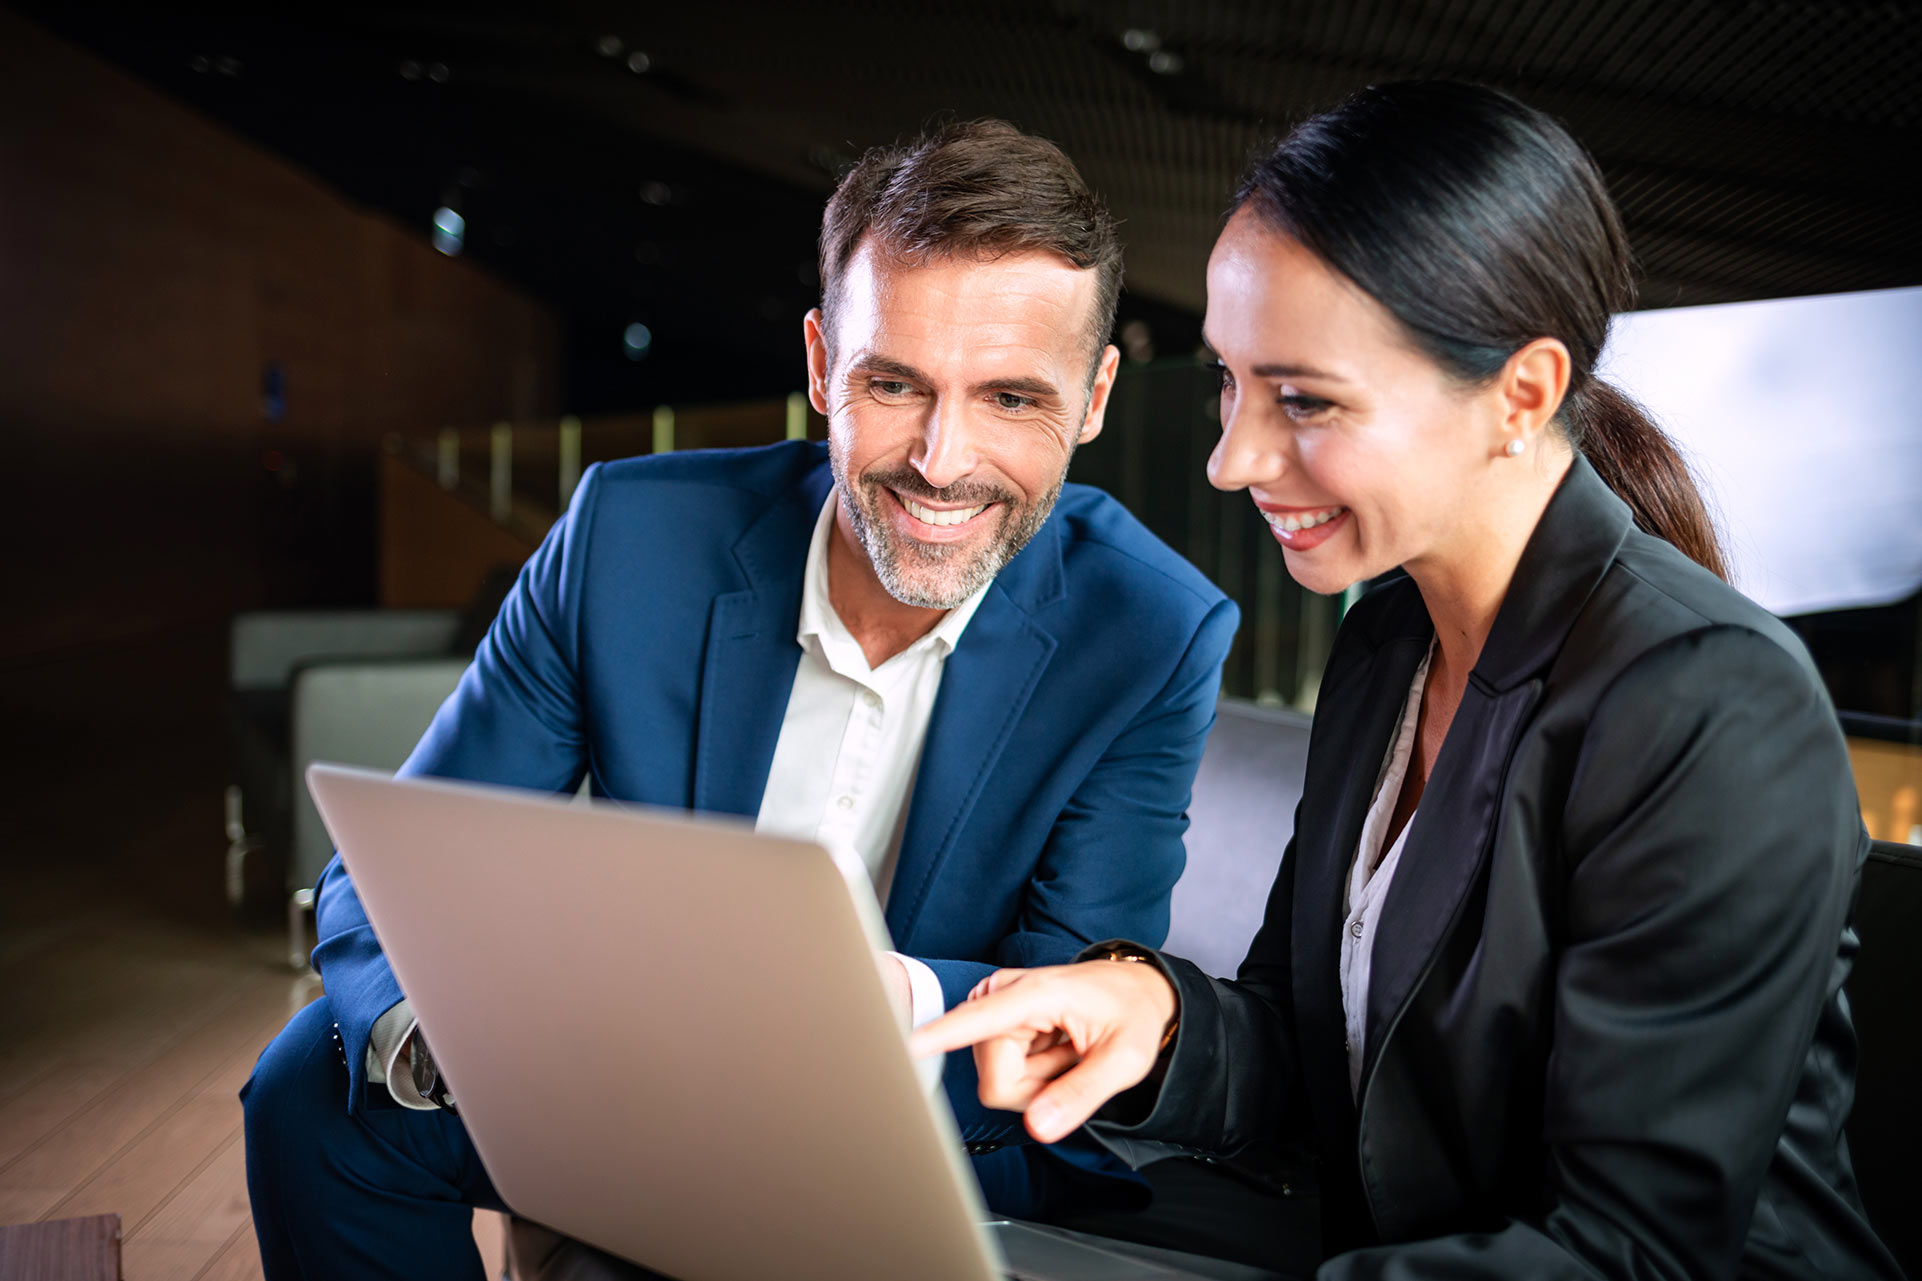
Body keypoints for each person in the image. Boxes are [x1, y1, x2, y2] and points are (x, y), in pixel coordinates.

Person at [914, 82, 1902, 1279]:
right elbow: (1320, 1059)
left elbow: (1634, 1252)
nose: (1232, 459)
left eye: (1304, 401)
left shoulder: (1711, 701)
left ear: (1521, 394)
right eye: (1229, 383)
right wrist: (1158, 1026)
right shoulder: (1391, 638)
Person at [240, 119, 1238, 1281]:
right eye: (892, 383)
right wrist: (463, 1043)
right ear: (821, 365)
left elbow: (1061, 998)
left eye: (1013, 398)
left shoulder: (1155, 631)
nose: (940, 458)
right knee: (309, 1088)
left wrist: (850, 1010)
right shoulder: (628, 536)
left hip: (925, 1100)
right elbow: (395, 872)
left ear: (1097, 393)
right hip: (614, 1057)